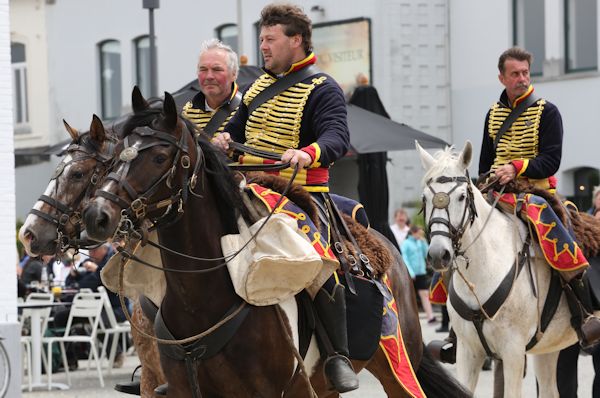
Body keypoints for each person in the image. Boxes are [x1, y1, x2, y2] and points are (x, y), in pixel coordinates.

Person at [213, 3, 358, 392]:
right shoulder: (256, 88)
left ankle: (336, 355)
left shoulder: (323, 87)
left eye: (270, 39)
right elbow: (236, 128)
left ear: (296, 41)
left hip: (298, 194)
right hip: (247, 188)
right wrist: (225, 138)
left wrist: (307, 152)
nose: (263, 46)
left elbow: (336, 138)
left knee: (319, 263)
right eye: (261, 39)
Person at [479, 47, 600, 348]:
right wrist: (487, 181)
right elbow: (484, 162)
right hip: (497, 190)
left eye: (525, 73)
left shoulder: (547, 111)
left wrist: (517, 167)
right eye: (515, 74)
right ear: (501, 77)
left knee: (549, 226)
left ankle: (584, 309)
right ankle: (457, 323)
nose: (521, 78)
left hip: (535, 190)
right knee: (458, 224)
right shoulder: (492, 115)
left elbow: (551, 160)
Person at [181, 38, 242, 136]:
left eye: (217, 69)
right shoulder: (187, 114)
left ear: (234, 74)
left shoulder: (247, 110)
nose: (209, 76)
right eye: (203, 69)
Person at [401, 225, 436, 323]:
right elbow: (405, 258)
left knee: (425, 294)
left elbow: (426, 254)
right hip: (411, 275)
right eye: (419, 233)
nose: (420, 235)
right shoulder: (406, 243)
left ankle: (431, 317)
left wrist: (424, 242)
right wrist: (410, 272)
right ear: (413, 232)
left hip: (421, 273)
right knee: (409, 297)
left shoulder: (420, 242)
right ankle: (409, 318)